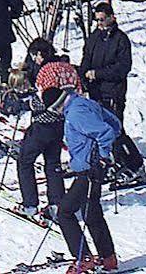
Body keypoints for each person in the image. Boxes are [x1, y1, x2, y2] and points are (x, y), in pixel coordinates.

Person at [46, 81, 120, 274]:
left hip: (90, 170)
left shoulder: (76, 113)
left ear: (58, 105)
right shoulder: (84, 103)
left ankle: (84, 258)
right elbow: (114, 123)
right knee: (92, 214)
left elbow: (106, 132)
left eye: (55, 111)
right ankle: (108, 258)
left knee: (65, 212)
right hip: (89, 168)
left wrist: (102, 157)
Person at [80, 2, 143, 175]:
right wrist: (83, 77)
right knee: (98, 129)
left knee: (115, 130)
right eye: (97, 20)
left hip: (113, 92)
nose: (99, 23)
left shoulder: (120, 39)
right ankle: (107, 161)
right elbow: (86, 58)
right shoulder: (95, 37)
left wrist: (98, 74)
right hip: (95, 92)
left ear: (111, 18)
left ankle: (133, 163)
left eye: (102, 19)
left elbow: (123, 67)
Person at [18, 39, 77, 219]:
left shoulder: (46, 71)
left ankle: (30, 204)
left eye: (33, 56)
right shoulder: (66, 67)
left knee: (25, 161)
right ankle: (56, 204)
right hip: (61, 123)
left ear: (40, 55)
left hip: (43, 124)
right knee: (53, 164)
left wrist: (26, 100)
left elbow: (44, 101)